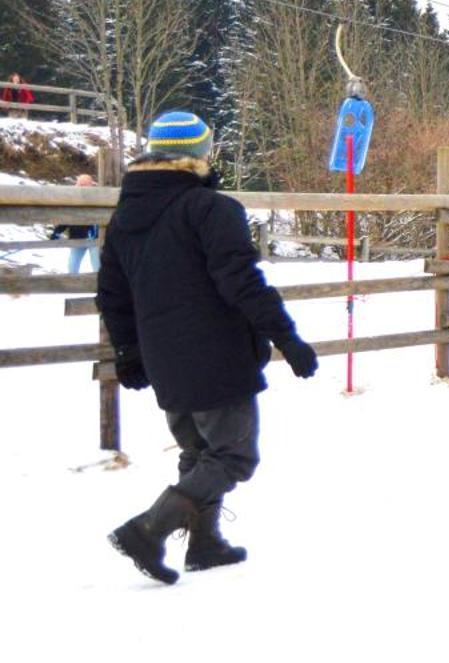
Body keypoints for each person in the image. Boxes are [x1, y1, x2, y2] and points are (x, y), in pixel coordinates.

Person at [99, 111, 320, 585]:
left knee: (199, 453)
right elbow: (241, 282)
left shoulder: (125, 218)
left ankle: (205, 543)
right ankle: (148, 529)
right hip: (216, 355)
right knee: (233, 456)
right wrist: (289, 338)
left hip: (164, 358)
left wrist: (131, 354)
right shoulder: (211, 209)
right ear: (200, 154)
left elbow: (113, 296)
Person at [53, 173, 102, 274]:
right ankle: (73, 286)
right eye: (79, 184)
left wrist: (95, 228)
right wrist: (57, 231)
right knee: (72, 266)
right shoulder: (72, 199)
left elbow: (102, 216)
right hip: (77, 238)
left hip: (94, 239)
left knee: (97, 268)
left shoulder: (98, 197)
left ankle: (100, 288)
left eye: (84, 185)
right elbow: (67, 217)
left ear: (90, 185)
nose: (81, 187)